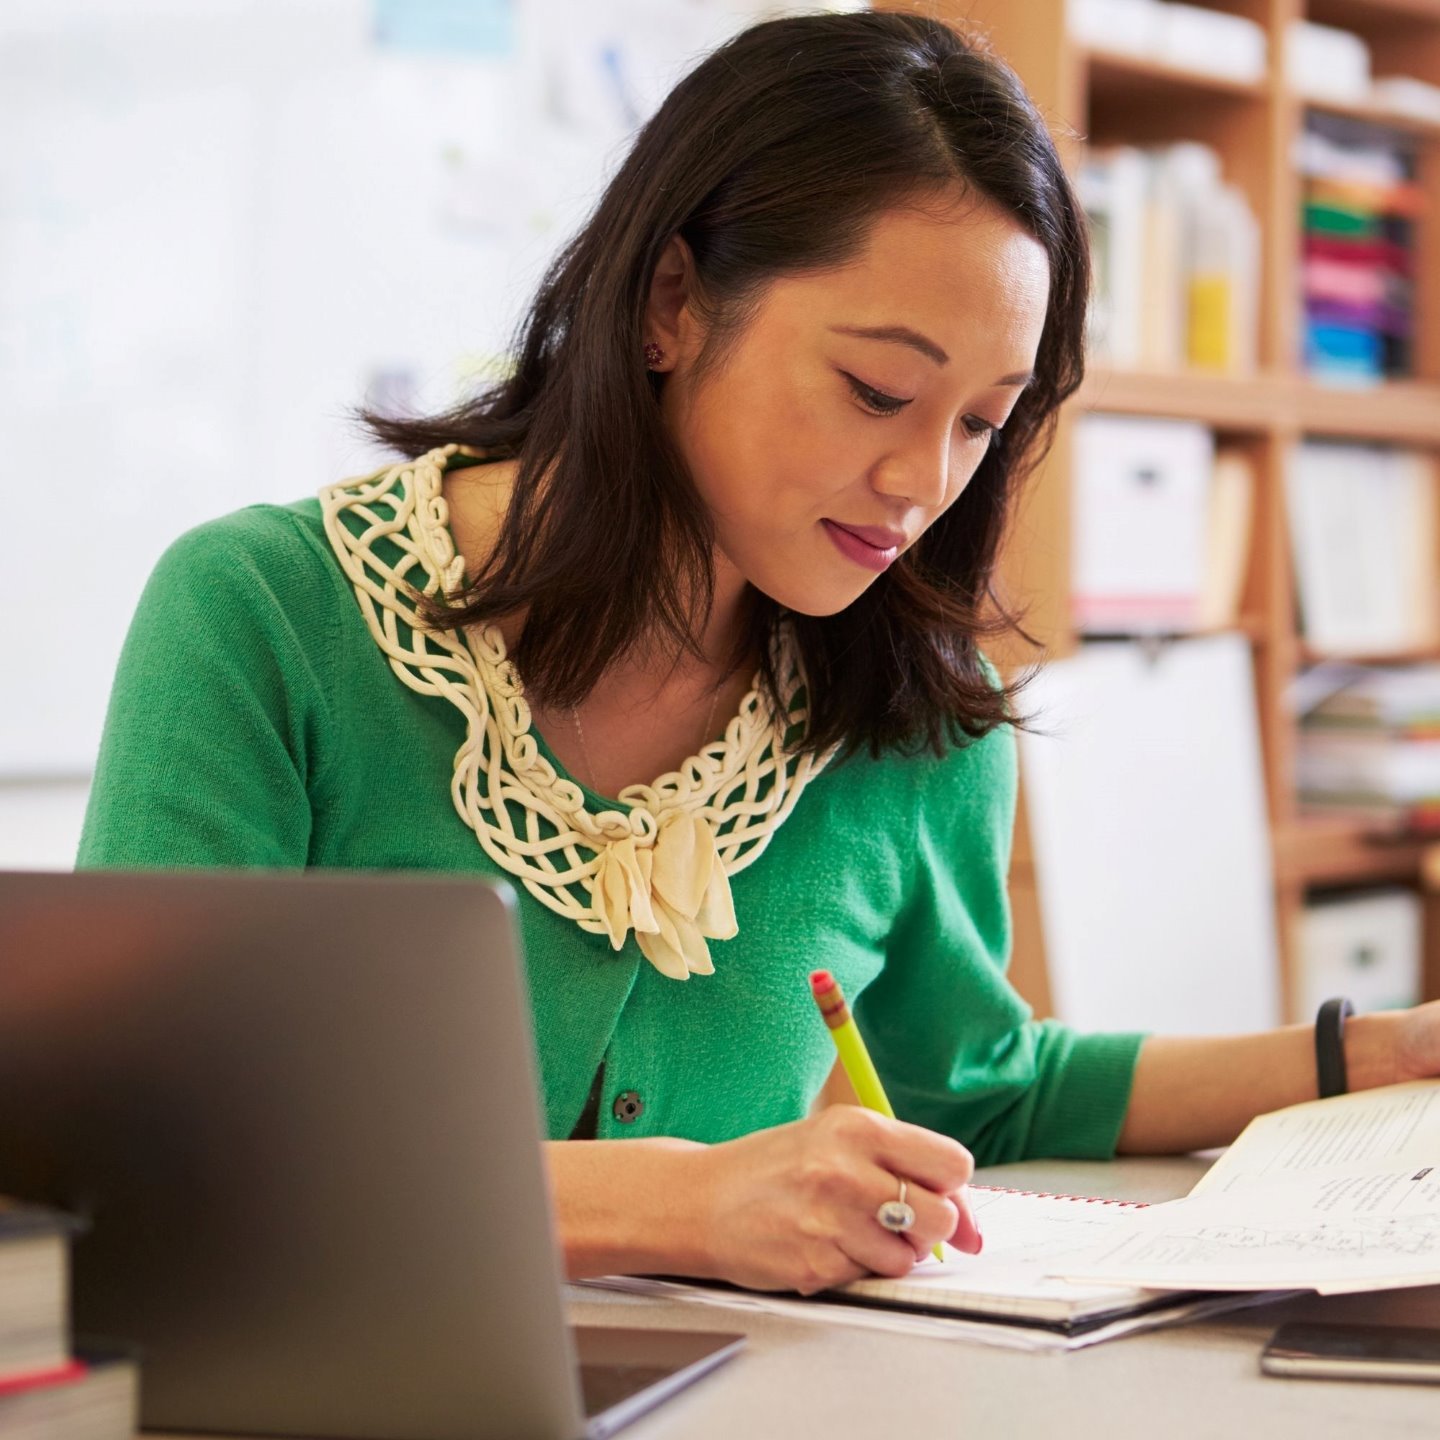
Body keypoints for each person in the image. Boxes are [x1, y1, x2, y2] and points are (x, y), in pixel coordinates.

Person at [78, 12, 1440, 1298]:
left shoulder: (914, 717)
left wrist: (1358, 1056)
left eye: (983, 423)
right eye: (877, 390)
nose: (923, 481)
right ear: (671, 301)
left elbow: (977, 1085)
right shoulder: (266, 619)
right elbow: (146, 1149)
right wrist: (676, 1206)